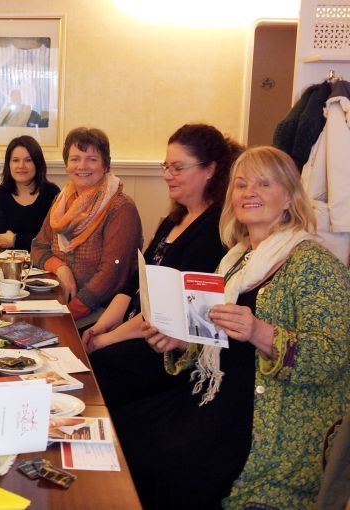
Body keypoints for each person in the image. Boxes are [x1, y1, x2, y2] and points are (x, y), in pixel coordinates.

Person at [129, 147, 350, 509]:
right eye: (242, 184)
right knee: (127, 431)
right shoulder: (236, 261)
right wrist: (179, 341)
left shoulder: (314, 265)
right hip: (214, 396)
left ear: (290, 197)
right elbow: (212, 339)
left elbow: (333, 358)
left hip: (265, 422)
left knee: (162, 462)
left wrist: (259, 332)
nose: (249, 193)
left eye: (264, 184)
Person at [84, 124, 242, 408]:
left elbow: (167, 310)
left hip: (163, 346)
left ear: (210, 170)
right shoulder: (173, 220)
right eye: (166, 166)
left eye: (178, 168)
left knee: (96, 367)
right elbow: (135, 282)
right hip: (132, 328)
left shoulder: (213, 231)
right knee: (79, 346)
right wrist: (102, 326)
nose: (167, 175)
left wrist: (106, 340)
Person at [31, 127, 142, 326]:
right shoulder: (62, 202)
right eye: (75, 159)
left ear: (105, 165)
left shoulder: (120, 207)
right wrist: (61, 268)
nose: (82, 166)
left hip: (101, 313)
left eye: (92, 159)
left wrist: (66, 314)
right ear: (67, 164)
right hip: (59, 301)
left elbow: (111, 274)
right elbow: (38, 247)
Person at [0, 135, 60, 251]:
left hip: (44, 260)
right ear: (8, 164)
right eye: (15, 160)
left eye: (28, 160)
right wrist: (33, 239)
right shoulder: (1, 193)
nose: (21, 166)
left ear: (37, 163)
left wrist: (15, 240)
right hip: (9, 260)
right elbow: (1, 240)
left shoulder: (52, 193)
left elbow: (53, 239)